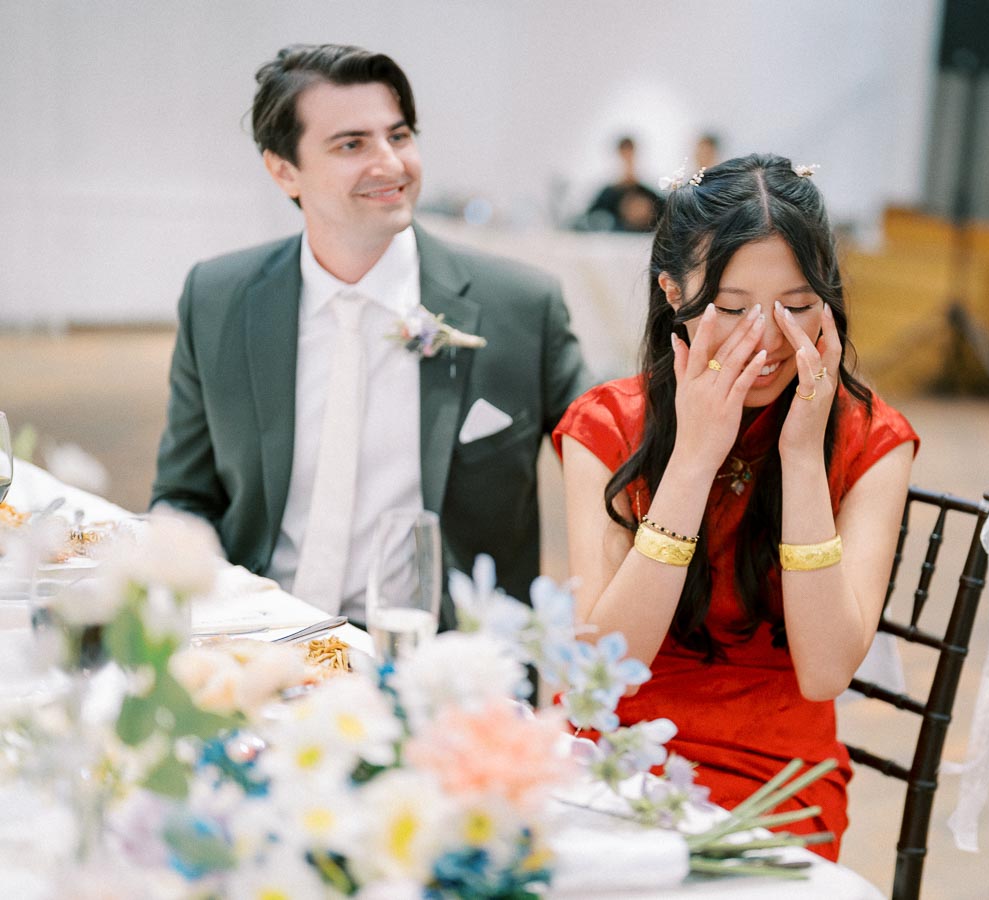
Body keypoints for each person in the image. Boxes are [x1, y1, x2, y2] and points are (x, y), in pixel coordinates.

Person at [553, 154, 918, 859]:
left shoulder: (874, 439)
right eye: (731, 308)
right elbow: (604, 660)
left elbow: (825, 671)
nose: (767, 336)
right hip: (620, 748)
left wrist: (804, 457)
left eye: (799, 305)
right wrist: (693, 459)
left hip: (774, 773)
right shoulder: (606, 425)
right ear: (672, 292)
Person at [152, 44, 591, 620]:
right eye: (352, 144)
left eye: (400, 136)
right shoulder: (219, 299)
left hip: (441, 665)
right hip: (259, 643)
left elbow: (618, 473)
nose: (391, 163)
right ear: (284, 170)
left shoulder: (520, 307)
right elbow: (184, 497)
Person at [584, 135, 662, 232]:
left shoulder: (649, 194)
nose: (628, 159)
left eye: (630, 154)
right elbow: (590, 219)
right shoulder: (607, 195)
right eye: (625, 154)